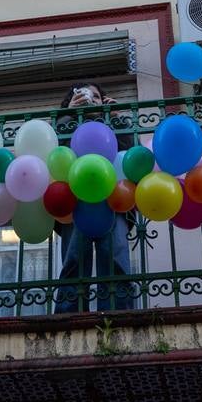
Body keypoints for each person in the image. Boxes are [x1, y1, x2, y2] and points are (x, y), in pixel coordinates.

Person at [54, 82, 137, 314]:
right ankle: (68, 314)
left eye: (97, 96)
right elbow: (56, 151)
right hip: (74, 201)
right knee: (74, 260)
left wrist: (118, 117)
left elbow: (129, 153)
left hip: (113, 200)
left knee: (116, 257)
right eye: (81, 95)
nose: (90, 99)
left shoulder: (113, 122)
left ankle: (120, 313)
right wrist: (68, 114)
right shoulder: (65, 122)